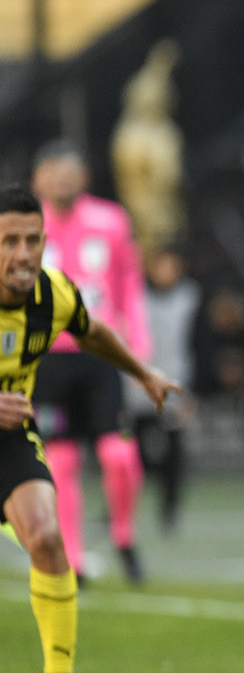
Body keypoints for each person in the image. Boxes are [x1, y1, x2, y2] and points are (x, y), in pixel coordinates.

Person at [0, 184, 180, 673]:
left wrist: (142, 373)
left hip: (8, 439)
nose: (24, 254)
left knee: (47, 539)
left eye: (33, 240)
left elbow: (92, 331)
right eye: (9, 241)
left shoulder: (52, 294)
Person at [30, 141, 151, 583]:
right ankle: (74, 559)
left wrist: (138, 339)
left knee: (118, 452)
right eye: (52, 172)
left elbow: (129, 281)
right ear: (37, 180)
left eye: (69, 172)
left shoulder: (111, 221)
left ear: (84, 177)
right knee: (60, 460)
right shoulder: (24, 228)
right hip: (48, 361)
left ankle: (123, 533)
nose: (62, 180)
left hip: (99, 353)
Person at [131, 245, 200, 533]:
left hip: (174, 386)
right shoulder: (135, 296)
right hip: (137, 387)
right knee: (131, 453)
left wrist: (195, 391)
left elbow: (199, 345)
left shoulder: (190, 299)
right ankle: (119, 510)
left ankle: (169, 512)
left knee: (174, 453)